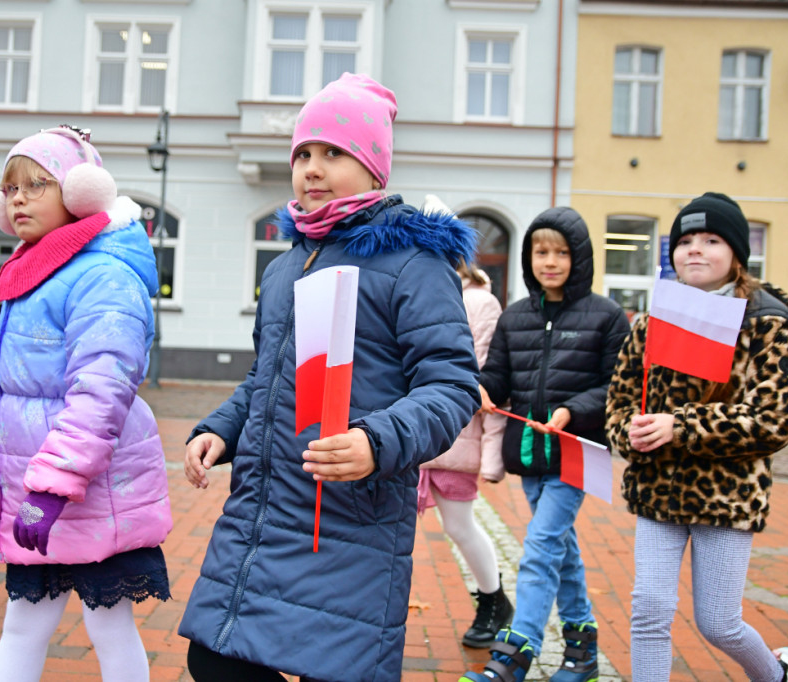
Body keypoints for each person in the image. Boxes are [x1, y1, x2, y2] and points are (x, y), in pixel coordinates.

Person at [178, 72, 482, 682]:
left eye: (334, 153)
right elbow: (265, 377)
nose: (312, 168)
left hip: (348, 522)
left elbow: (451, 386)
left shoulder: (414, 265)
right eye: (304, 154)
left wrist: (376, 441)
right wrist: (221, 429)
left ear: (374, 169)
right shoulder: (286, 266)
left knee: (332, 670)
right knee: (214, 660)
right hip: (263, 516)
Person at [0, 125, 172, 682]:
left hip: (93, 490)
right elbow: (35, 386)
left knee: (109, 628)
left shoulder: (101, 276)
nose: (17, 198)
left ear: (79, 193)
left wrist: (48, 487)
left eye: (35, 185)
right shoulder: (35, 271)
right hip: (48, 488)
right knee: (23, 627)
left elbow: (101, 392)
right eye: (9, 189)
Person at [605, 192, 788, 682]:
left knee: (718, 623)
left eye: (711, 240)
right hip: (658, 488)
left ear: (736, 254)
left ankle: (776, 676)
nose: (695, 249)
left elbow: (774, 419)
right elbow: (619, 398)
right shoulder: (654, 318)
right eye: (685, 240)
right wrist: (627, 432)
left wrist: (682, 426)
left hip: (726, 494)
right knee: (649, 608)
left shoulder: (765, 323)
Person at [463, 207, 631, 682]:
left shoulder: (606, 315)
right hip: (530, 454)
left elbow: (615, 385)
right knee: (562, 549)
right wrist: (480, 388)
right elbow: (497, 375)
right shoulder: (515, 317)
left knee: (539, 546)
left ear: (580, 257)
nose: (551, 261)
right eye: (541, 251)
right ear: (528, 256)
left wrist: (572, 411)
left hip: (578, 451)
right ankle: (582, 654)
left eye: (561, 252)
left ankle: (516, 654)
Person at [416, 255, 513, 648]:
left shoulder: (480, 302)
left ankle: (494, 600)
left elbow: (483, 374)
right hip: (410, 431)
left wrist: (491, 453)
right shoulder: (417, 291)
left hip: (456, 432)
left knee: (459, 525)